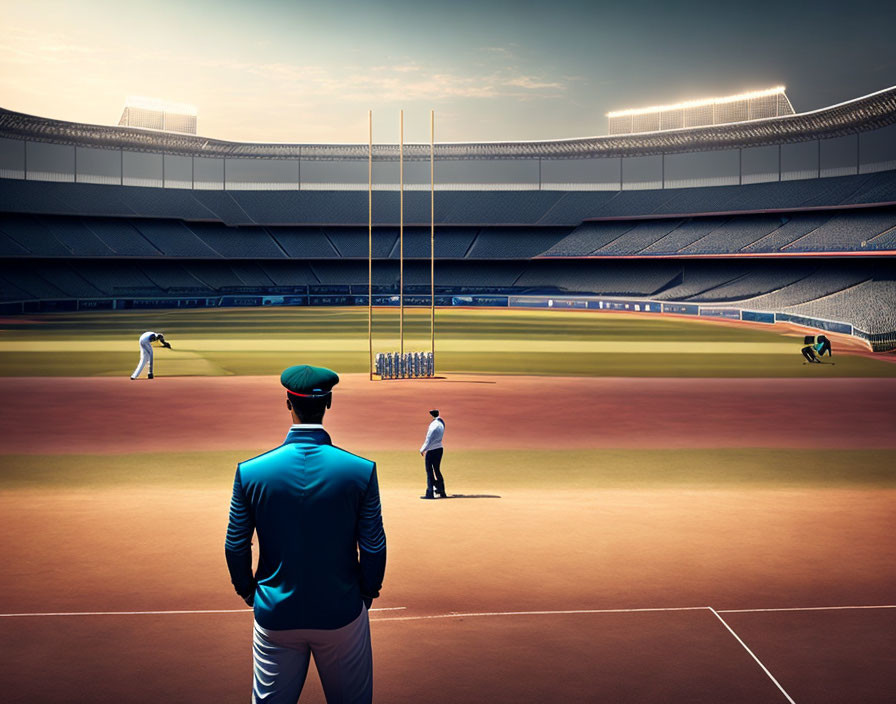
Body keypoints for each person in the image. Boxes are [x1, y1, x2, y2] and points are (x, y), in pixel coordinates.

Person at [225, 365, 386, 704]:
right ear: (328, 404)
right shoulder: (361, 471)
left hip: (275, 612)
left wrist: (249, 593)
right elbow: (373, 547)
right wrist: (367, 592)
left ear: (288, 403)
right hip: (341, 611)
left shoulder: (250, 472)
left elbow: (236, 545)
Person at [420, 409, 447, 499]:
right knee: (437, 470)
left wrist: (422, 449)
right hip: (440, 449)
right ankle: (442, 491)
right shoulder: (441, 423)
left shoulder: (433, 426)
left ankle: (430, 493)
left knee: (429, 471)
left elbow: (428, 439)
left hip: (432, 450)